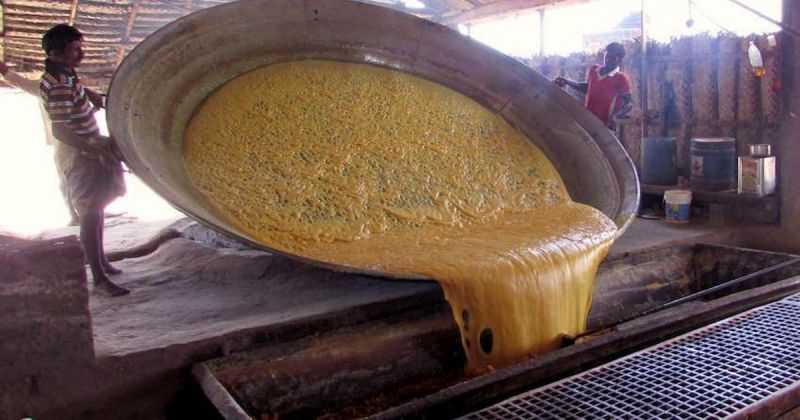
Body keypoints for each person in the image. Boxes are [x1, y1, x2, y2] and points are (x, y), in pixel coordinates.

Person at [39, 24, 129, 296]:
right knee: (89, 214)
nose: (81, 54)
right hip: (80, 153)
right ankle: (99, 279)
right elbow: (59, 129)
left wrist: (87, 92)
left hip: (89, 148)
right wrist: (93, 147)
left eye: (81, 47)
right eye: (75, 50)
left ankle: (101, 260)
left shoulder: (65, 74)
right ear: (56, 53)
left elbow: (74, 87)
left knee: (98, 207)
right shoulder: (57, 86)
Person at [1, 60, 81, 225]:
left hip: (77, 139)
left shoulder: (70, 84)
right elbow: (15, 79)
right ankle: (75, 214)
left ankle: (82, 212)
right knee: (67, 178)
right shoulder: (46, 86)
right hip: (66, 141)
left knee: (74, 178)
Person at [554, 42, 633, 132]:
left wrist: (616, 117)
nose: (608, 60)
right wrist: (567, 81)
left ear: (619, 60)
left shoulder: (621, 78)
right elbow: (588, 88)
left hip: (605, 126)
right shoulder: (594, 70)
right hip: (588, 120)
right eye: (607, 56)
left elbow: (628, 104)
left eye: (612, 58)